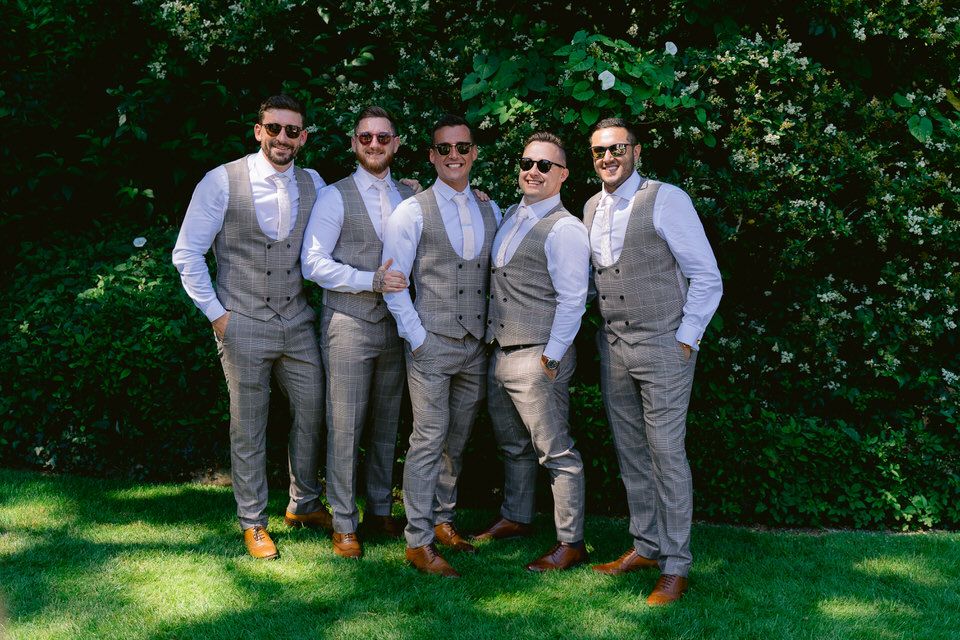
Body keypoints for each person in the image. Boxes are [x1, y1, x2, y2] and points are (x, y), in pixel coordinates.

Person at [172, 94, 330, 560]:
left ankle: (303, 503)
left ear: (303, 137)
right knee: (248, 425)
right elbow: (187, 253)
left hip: (298, 321)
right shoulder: (221, 181)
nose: (283, 138)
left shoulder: (315, 183)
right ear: (259, 131)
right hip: (241, 321)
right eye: (274, 128)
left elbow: (358, 217)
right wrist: (218, 316)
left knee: (314, 410)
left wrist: (404, 188)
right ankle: (253, 522)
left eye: (292, 131)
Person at [584, 118, 722, 604]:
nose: (608, 158)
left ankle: (676, 564)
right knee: (630, 451)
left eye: (617, 149)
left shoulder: (667, 199)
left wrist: (686, 338)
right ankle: (645, 545)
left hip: (665, 344)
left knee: (666, 452)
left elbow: (706, 275)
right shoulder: (591, 207)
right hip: (613, 346)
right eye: (599, 151)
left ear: (636, 152)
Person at [382, 114, 501, 577]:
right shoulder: (412, 211)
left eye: (462, 147)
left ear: (474, 153)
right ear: (432, 156)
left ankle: (443, 519)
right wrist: (418, 338)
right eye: (445, 148)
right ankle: (418, 541)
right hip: (431, 343)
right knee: (428, 439)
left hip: (476, 345)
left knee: (458, 438)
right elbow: (395, 282)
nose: (454, 155)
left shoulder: (492, 209)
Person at [301, 106, 414, 559]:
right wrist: (370, 280)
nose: (374, 144)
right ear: (353, 143)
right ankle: (345, 523)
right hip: (348, 323)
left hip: (396, 324)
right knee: (345, 424)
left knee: (388, 420)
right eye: (365, 137)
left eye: (383, 137)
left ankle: (381, 510)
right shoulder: (334, 196)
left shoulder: (410, 195)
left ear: (396, 143)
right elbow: (313, 263)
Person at [475, 132, 591, 572]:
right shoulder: (508, 214)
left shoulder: (565, 229)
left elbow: (573, 299)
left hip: (539, 355)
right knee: (512, 445)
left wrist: (552, 357)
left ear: (563, 175)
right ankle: (516, 517)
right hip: (501, 351)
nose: (533, 171)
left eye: (545, 165)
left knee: (556, 453)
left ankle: (570, 542)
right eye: (527, 162)